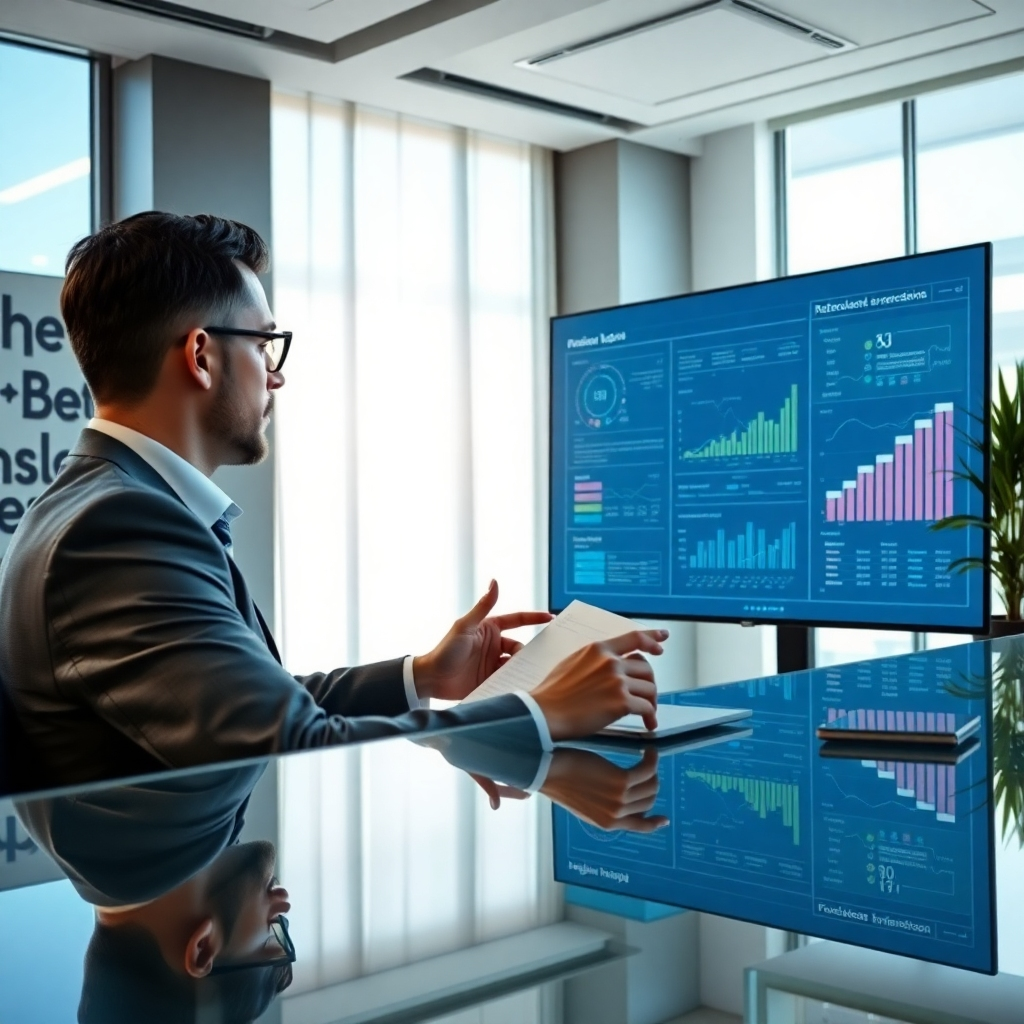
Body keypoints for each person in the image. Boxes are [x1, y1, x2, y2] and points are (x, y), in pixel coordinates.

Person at [0, 212, 666, 791]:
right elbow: (290, 743)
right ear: (202, 355)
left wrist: (425, 674)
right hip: (177, 921)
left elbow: (257, 703)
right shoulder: (121, 527)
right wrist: (541, 712)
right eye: (265, 344)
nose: (278, 373)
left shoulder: (105, 505)